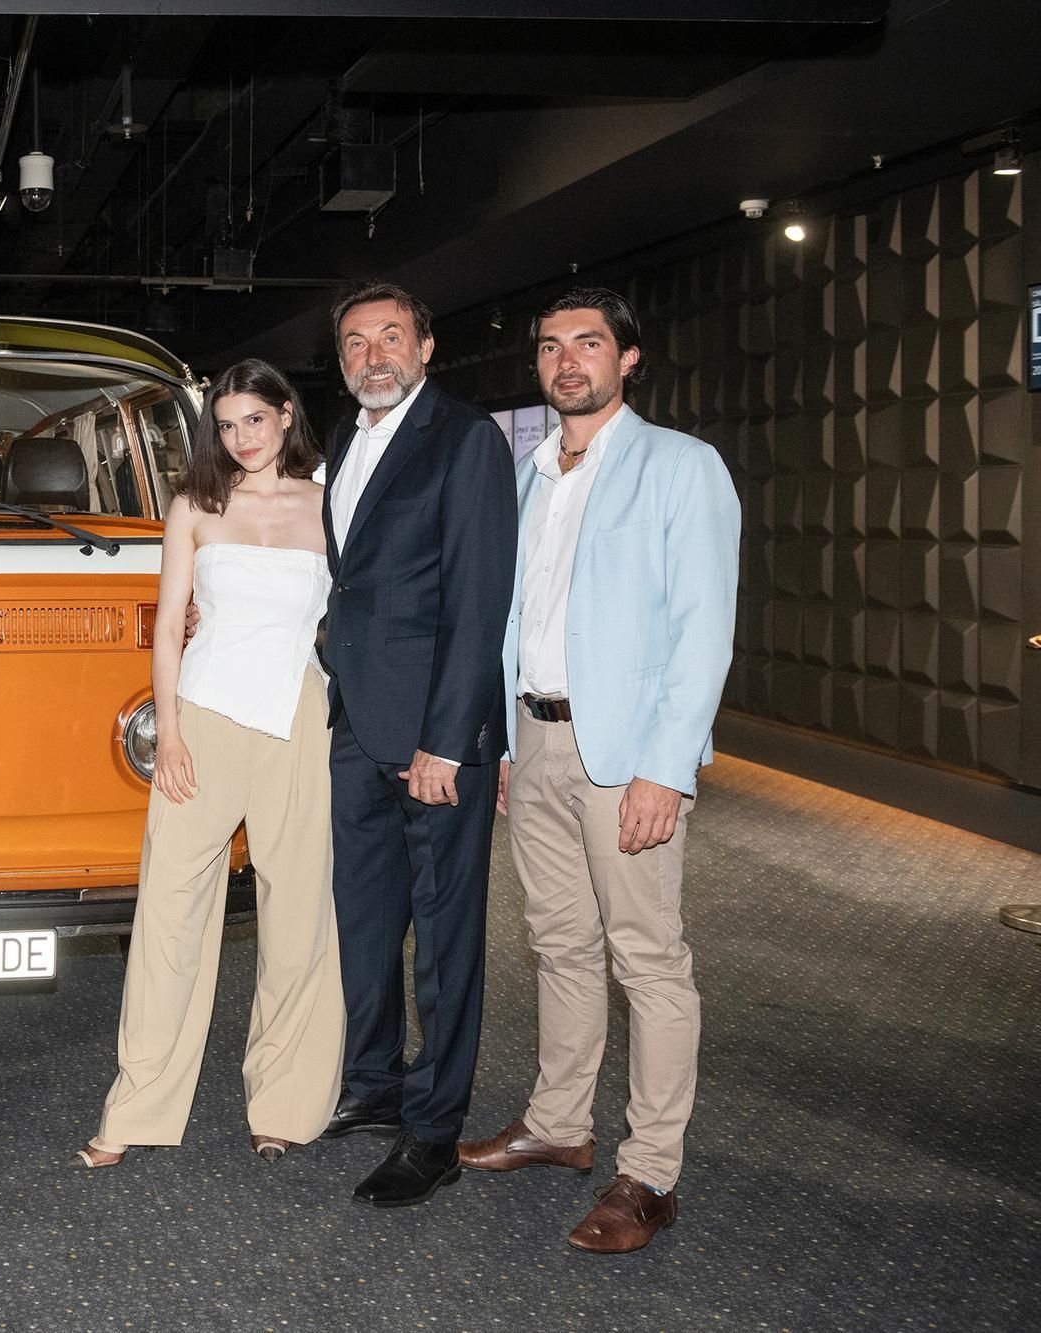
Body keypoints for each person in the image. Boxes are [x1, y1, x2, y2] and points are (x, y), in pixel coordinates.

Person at [458, 287, 739, 1254]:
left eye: (588, 343)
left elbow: (703, 628)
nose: (567, 360)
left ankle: (650, 1171)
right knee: (559, 944)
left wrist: (668, 766)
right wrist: (505, 744)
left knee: (648, 958)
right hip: (534, 738)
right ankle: (559, 1123)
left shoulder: (681, 466)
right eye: (550, 346)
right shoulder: (528, 475)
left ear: (628, 358)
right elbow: (514, 621)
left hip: (627, 754)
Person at [78, 359, 345, 1169]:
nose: (240, 438)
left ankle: (285, 1102)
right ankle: (137, 1107)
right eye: (225, 426)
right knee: (168, 912)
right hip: (202, 716)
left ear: (287, 415)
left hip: (297, 715)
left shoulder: (331, 503)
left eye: (253, 420)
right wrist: (170, 734)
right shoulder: (195, 503)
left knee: (298, 914)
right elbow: (168, 625)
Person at [318, 281, 519, 1208]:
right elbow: (352, 582)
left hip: (435, 741)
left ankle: (434, 1128)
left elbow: (479, 602)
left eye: (391, 336)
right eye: (356, 343)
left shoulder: (465, 439)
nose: (374, 355)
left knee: (443, 939)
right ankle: (376, 1082)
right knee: (363, 921)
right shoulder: (343, 440)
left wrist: (449, 740)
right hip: (356, 725)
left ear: (426, 347)